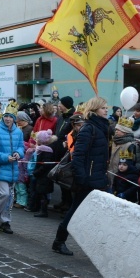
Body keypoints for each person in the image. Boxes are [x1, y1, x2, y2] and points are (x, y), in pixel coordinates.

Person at [52, 96, 110, 255]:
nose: (107, 110)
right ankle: (59, 241)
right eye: (103, 107)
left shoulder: (102, 127)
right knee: (75, 210)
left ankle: (95, 245)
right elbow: (78, 156)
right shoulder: (89, 128)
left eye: (106, 107)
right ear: (94, 110)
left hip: (98, 178)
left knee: (95, 213)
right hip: (88, 180)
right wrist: (83, 179)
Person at [0, 101, 24, 235]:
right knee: (4, 194)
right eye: (6, 116)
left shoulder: (19, 132)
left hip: (13, 169)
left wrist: (18, 153)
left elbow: (21, 147)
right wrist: (5, 157)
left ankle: (5, 221)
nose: (8, 118)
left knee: (10, 197)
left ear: (14, 119)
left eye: (10, 116)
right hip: (1, 168)